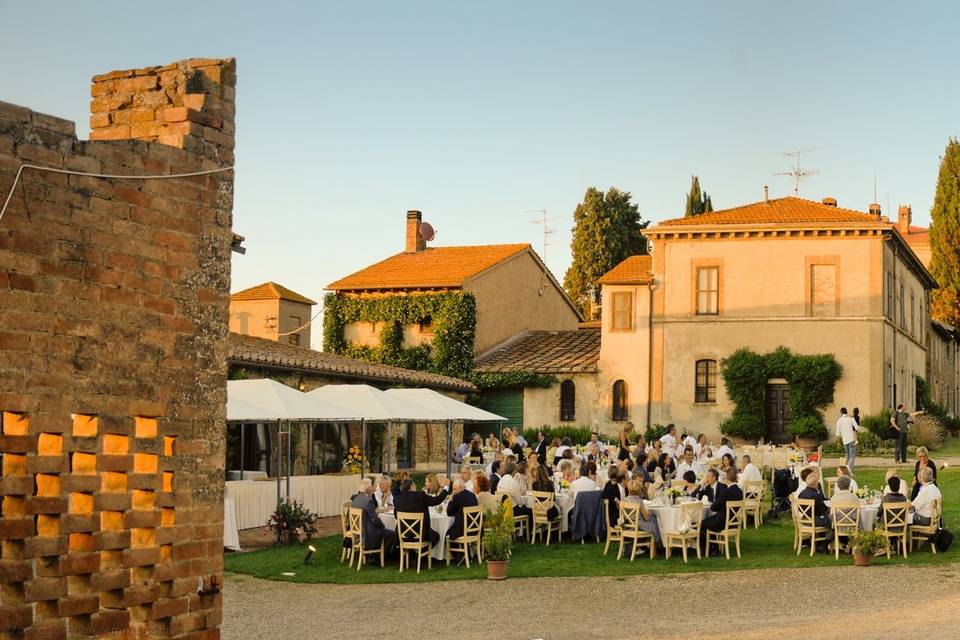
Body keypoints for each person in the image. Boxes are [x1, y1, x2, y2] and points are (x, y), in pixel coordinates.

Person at [393, 477, 450, 547]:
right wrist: (446, 487)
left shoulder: (397, 499)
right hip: (421, 535)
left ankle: (411, 555)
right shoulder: (420, 496)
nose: (416, 486)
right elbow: (437, 500)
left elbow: (396, 516)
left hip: (402, 535)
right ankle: (420, 556)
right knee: (436, 536)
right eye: (414, 485)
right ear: (411, 486)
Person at [699, 468, 743, 554]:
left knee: (701, 524)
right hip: (733, 521)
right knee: (709, 521)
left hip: (722, 521)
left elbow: (713, 508)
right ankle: (712, 547)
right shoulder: (740, 491)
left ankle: (712, 548)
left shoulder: (726, 492)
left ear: (726, 479)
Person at [350, 479, 395, 555]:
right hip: (367, 532)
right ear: (368, 489)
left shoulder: (356, 498)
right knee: (392, 534)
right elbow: (374, 519)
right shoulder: (368, 501)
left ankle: (378, 553)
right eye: (372, 486)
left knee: (385, 531)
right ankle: (380, 556)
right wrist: (382, 526)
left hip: (358, 530)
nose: (374, 488)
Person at [622, 478, 661, 544]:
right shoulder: (639, 501)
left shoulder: (624, 500)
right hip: (639, 525)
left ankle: (652, 542)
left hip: (627, 524)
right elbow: (646, 517)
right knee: (654, 518)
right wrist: (648, 513)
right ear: (638, 490)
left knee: (652, 518)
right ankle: (658, 542)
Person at [797, 468, 831, 539]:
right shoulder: (815, 495)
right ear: (815, 483)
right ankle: (826, 543)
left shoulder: (801, 494)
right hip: (814, 520)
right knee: (834, 520)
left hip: (804, 519)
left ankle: (824, 539)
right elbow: (824, 510)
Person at [446, 478, 480, 543]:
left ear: (461, 487)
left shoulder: (457, 497)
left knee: (445, 533)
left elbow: (449, 513)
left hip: (463, 530)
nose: (453, 491)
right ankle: (465, 551)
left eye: (454, 489)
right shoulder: (472, 495)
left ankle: (457, 553)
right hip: (475, 529)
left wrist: (450, 500)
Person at [835, 407, 859, 473]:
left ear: (841, 412)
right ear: (846, 412)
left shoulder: (839, 421)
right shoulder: (851, 419)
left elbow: (838, 434)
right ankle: (848, 470)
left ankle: (844, 470)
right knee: (852, 456)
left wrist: (838, 442)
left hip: (845, 441)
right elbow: (857, 428)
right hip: (851, 439)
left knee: (847, 455)